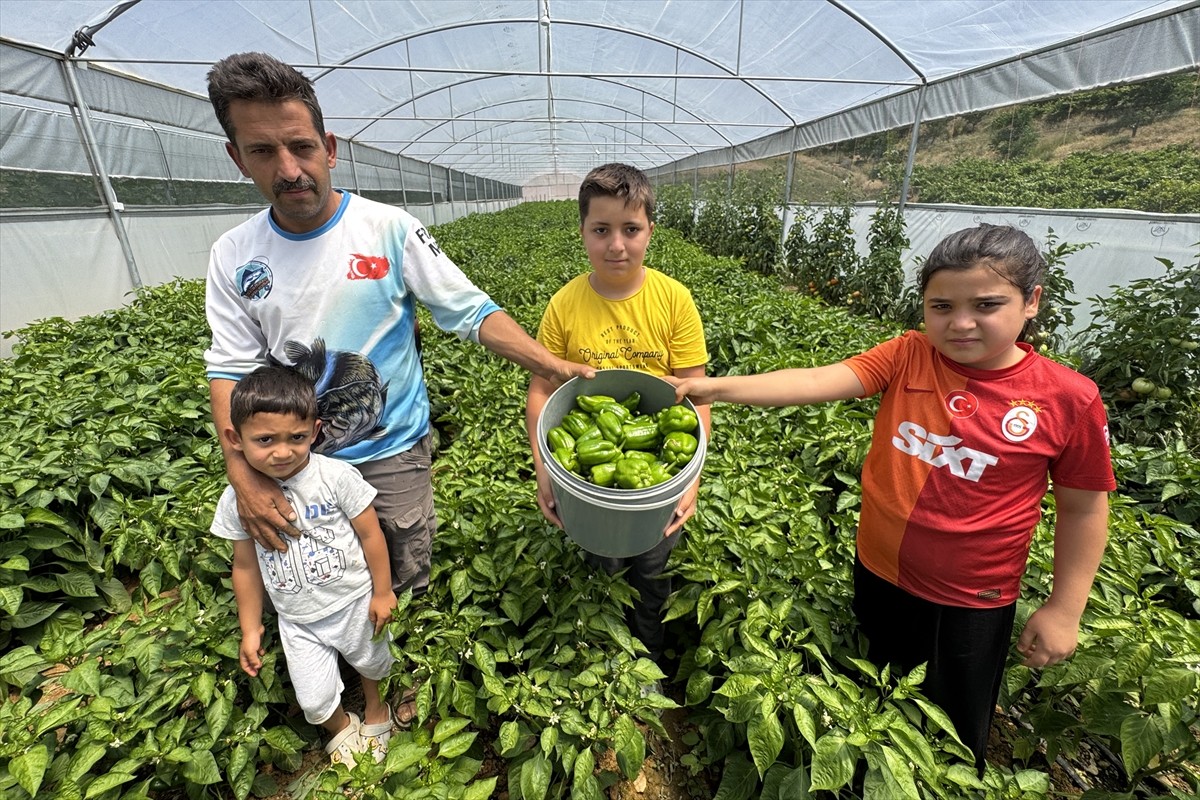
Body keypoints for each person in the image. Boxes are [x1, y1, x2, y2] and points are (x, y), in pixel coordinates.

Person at [203, 52, 592, 722]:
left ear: (329, 147)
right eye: (263, 151)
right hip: (293, 459)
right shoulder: (235, 255)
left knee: (403, 563)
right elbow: (231, 368)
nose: (289, 169)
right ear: (238, 158)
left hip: (392, 453)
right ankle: (339, 676)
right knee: (314, 570)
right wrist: (244, 472)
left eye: (301, 146)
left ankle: (397, 669)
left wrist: (549, 364)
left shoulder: (388, 229)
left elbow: (469, 310)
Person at [669, 223, 1114, 773]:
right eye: (941, 305)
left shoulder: (1068, 398)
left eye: (987, 304)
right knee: (872, 688)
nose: (961, 322)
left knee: (949, 727)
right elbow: (820, 381)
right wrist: (717, 388)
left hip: (972, 597)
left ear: (1032, 302)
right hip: (878, 567)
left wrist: (1065, 608)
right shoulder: (910, 354)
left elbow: (1085, 506)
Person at [525, 163, 711, 674]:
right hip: (589, 485)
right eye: (601, 230)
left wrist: (689, 478)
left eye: (631, 230)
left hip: (660, 480)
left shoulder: (674, 301)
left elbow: (697, 399)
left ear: (651, 229)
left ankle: (648, 664)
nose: (616, 245)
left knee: (654, 569)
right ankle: (602, 667)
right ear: (582, 231)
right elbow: (542, 390)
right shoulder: (565, 304)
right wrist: (545, 468)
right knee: (598, 564)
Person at [210, 366, 397, 765]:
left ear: (314, 431)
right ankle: (341, 727)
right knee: (313, 698)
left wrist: (382, 591)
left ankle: (378, 710)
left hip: (353, 601)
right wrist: (251, 627)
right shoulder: (237, 500)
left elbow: (371, 535)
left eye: (296, 438)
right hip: (296, 619)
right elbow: (244, 567)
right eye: (264, 440)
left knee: (374, 662)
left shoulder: (335, 477)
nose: (282, 452)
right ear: (235, 439)